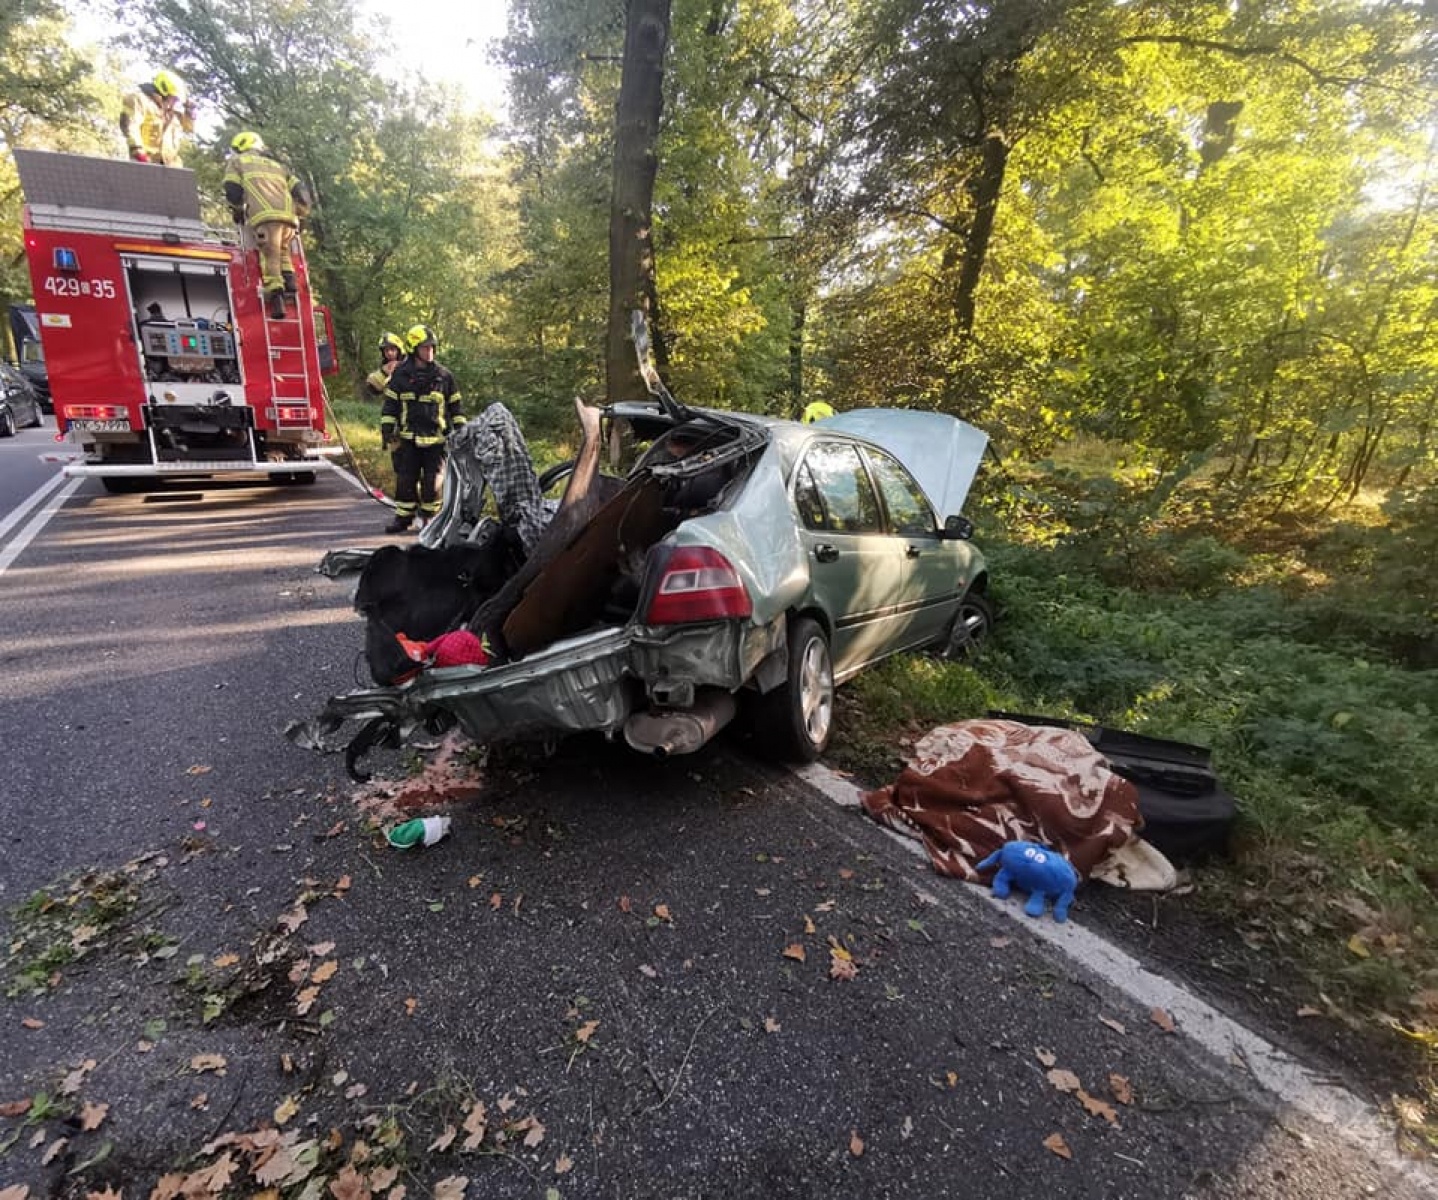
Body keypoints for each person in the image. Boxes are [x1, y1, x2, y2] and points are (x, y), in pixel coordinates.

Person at [380, 324, 466, 534]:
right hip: (408, 440)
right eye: (425, 348)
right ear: (413, 349)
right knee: (405, 481)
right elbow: (390, 405)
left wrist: (462, 431)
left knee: (432, 484)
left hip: (436, 442)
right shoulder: (400, 376)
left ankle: (430, 520)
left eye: (432, 347)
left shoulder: (444, 376)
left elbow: (456, 407)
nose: (430, 351)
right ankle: (403, 518)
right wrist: (387, 429)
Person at [222, 132, 313, 320]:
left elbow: (232, 190)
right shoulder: (278, 166)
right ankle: (290, 284)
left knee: (269, 256)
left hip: (265, 217)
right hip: (289, 219)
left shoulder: (237, 162)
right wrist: (301, 214)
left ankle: (276, 297)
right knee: (282, 251)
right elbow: (302, 193)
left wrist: (238, 210)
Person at [120, 69, 196, 166]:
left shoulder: (172, 111)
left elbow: (188, 129)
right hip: (145, 161)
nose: (175, 102)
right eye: (174, 98)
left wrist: (190, 113)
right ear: (164, 92)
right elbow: (131, 126)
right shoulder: (139, 100)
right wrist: (138, 151)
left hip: (170, 166)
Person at [366, 332, 406, 398]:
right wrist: (384, 373)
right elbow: (373, 389)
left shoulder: (409, 365)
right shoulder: (384, 369)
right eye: (386, 350)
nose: (389, 353)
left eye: (392, 349)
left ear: (399, 350)